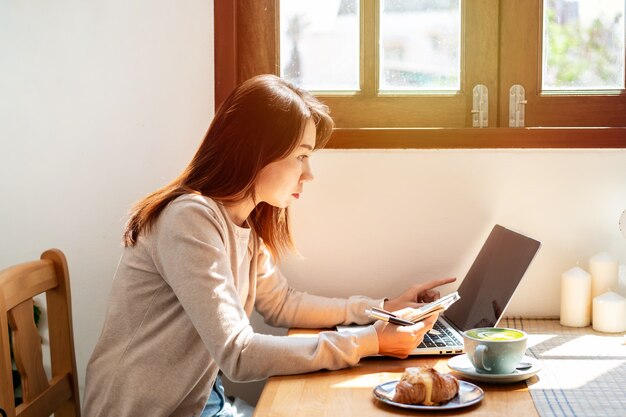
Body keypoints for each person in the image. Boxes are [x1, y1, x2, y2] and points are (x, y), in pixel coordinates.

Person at [83, 74, 455, 417]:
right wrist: (370, 342)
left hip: (202, 401)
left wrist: (382, 310)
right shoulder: (189, 218)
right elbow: (239, 353)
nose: (309, 174)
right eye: (301, 156)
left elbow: (281, 304)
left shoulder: (244, 220)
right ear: (256, 152)